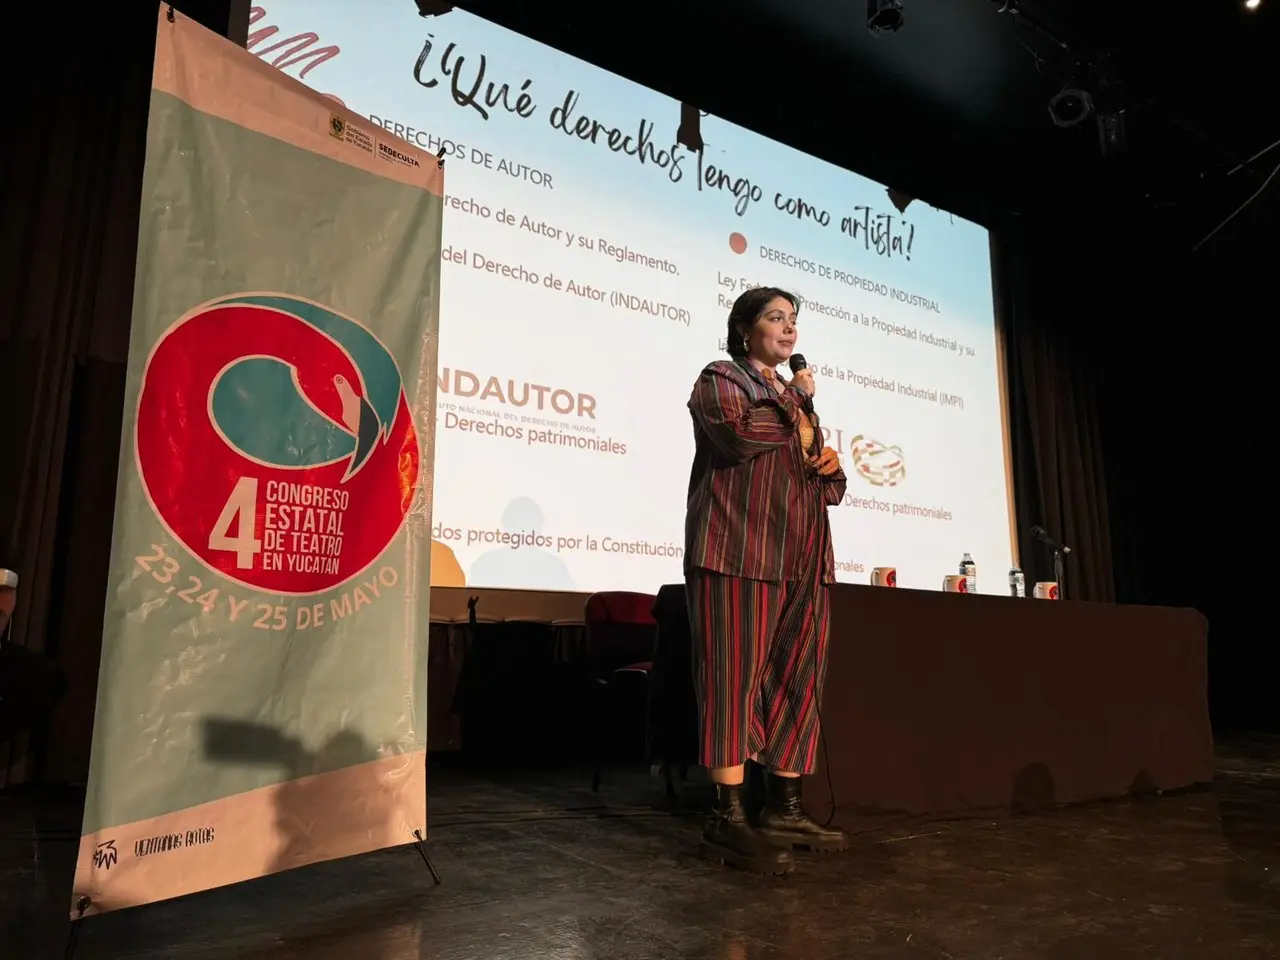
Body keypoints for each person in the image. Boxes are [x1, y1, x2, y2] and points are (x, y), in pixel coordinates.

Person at [684, 286, 848, 874]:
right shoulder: (722, 379)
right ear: (745, 329)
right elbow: (740, 437)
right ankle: (726, 816)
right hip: (738, 549)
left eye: (794, 320)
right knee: (733, 676)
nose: (789, 328)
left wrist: (830, 466)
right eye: (776, 318)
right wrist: (795, 403)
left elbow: (822, 483)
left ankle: (784, 805)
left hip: (804, 554)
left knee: (796, 676)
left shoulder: (795, 402)